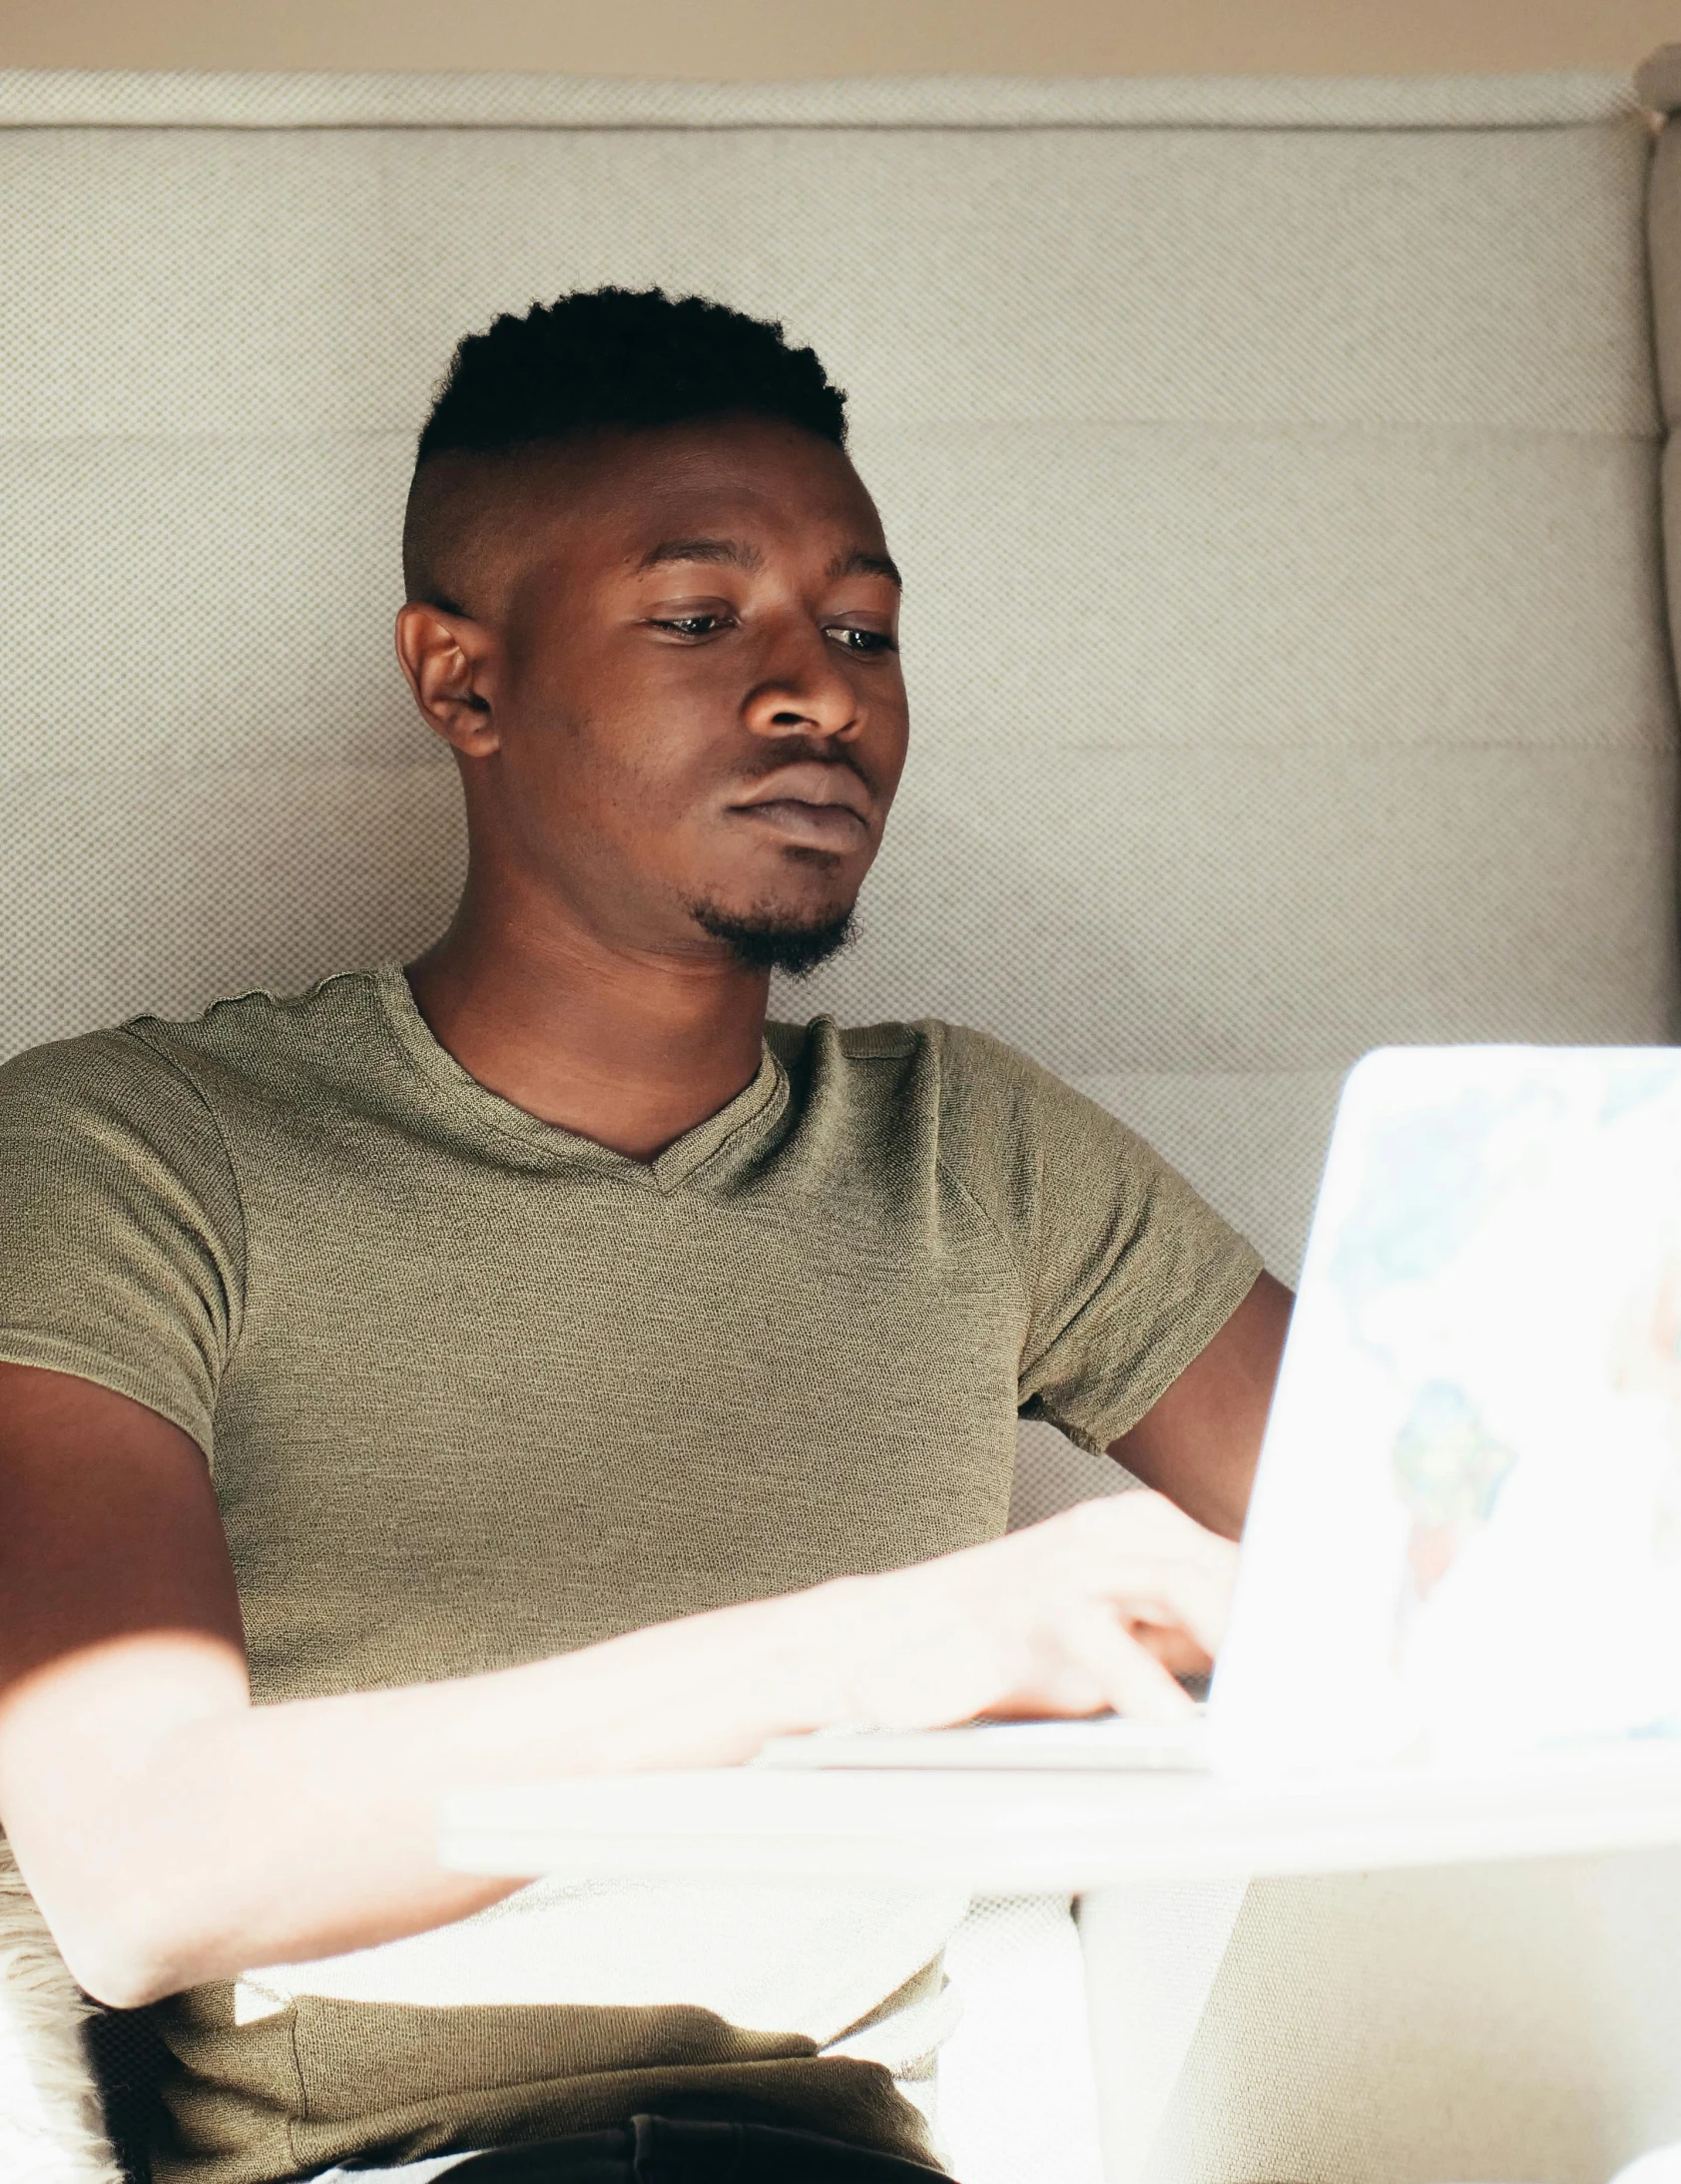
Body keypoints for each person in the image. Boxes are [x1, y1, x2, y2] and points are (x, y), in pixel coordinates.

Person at [0, 288, 1292, 2184]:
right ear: (464, 683)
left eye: (864, 629)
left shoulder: (971, 1148)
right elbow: (149, 1868)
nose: (821, 692)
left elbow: (1464, 1583)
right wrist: (888, 1650)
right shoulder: (134, 1159)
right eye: (704, 622)